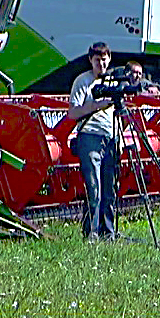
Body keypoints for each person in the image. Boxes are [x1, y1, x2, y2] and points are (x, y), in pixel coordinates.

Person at [68, 42, 119, 241]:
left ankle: (109, 232)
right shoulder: (82, 82)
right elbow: (73, 112)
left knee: (109, 188)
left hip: (110, 136)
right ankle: (91, 234)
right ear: (90, 60)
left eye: (104, 60)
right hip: (89, 136)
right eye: (97, 60)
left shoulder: (113, 82)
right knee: (94, 187)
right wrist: (96, 105)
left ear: (110, 59)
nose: (101, 64)